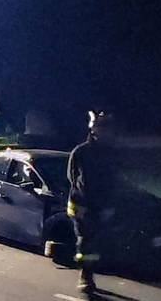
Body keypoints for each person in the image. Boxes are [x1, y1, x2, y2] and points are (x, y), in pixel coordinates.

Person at [67, 110, 120, 296]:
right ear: (94, 131)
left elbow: (114, 182)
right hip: (81, 205)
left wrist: (109, 207)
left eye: (109, 130)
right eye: (103, 129)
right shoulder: (81, 152)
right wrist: (80, 205)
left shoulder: (112, 153)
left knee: (96, 243)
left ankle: (90, 273)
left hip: (102, 205)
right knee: (85, 242)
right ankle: (85, 276)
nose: (107, 134)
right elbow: (73, 179)